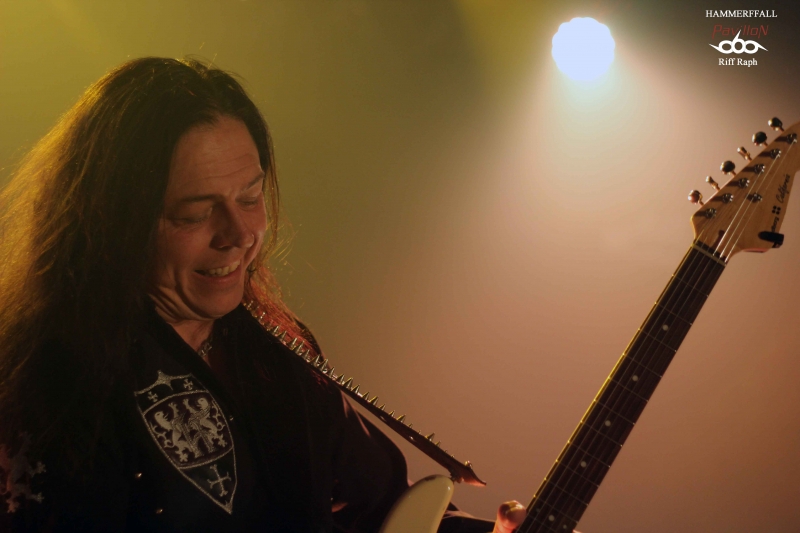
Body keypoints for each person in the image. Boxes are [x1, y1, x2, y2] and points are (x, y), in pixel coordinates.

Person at [0, 57, 526, 532]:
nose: (239, 233)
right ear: (111, 222)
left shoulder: (275, 350)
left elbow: (386, 507)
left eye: (250, 198)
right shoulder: (50, 383)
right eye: (195, 213)